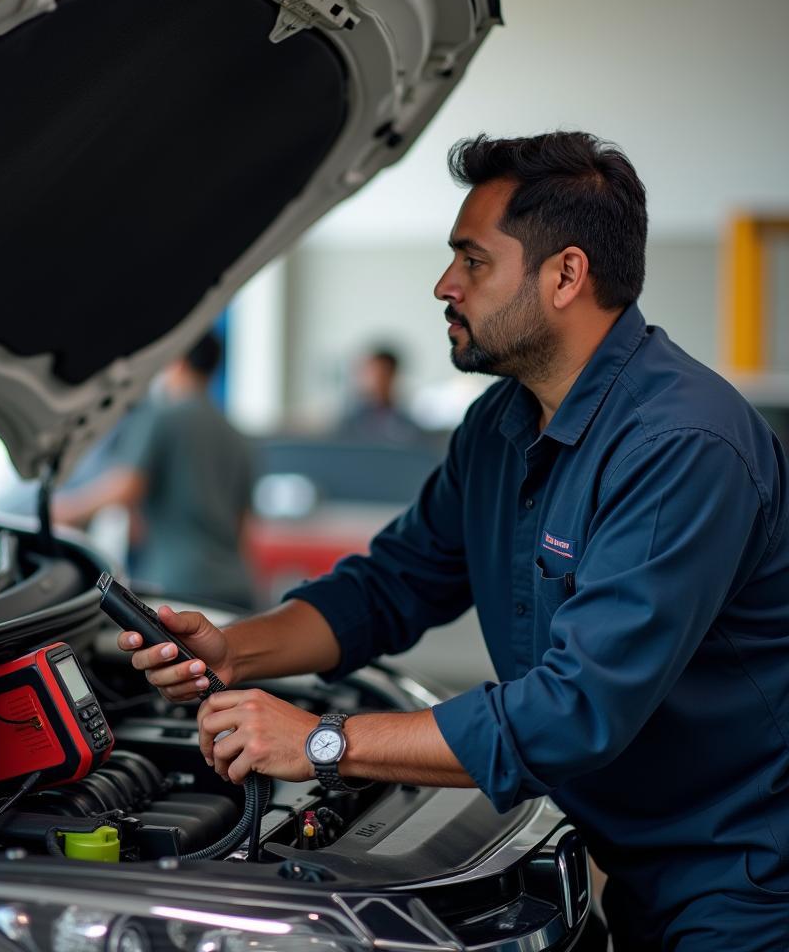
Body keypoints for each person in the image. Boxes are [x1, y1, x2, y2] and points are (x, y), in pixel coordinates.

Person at [117, 133, 789, 949]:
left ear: (566, 275)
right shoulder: (499, 427)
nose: (445, 284)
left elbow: (577, 711)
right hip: (638, 861)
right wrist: (235, 651)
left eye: (473, 260)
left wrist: (323, 744)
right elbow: (391, 585)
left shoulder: (682, 446)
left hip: (748, 877)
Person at [54, 331, 256, 609]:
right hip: (235, 587)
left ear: (177, 361)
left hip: (179, 587)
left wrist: (64, 510)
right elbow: (244, 525)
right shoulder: (238, 436)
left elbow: (126, 487)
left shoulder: (163, 418)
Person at [336, 346, 425, 445]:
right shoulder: (351, 423)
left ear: (393, 376)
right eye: (375, 375)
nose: (378, 382)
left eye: (384, 375)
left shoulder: (407, 425)